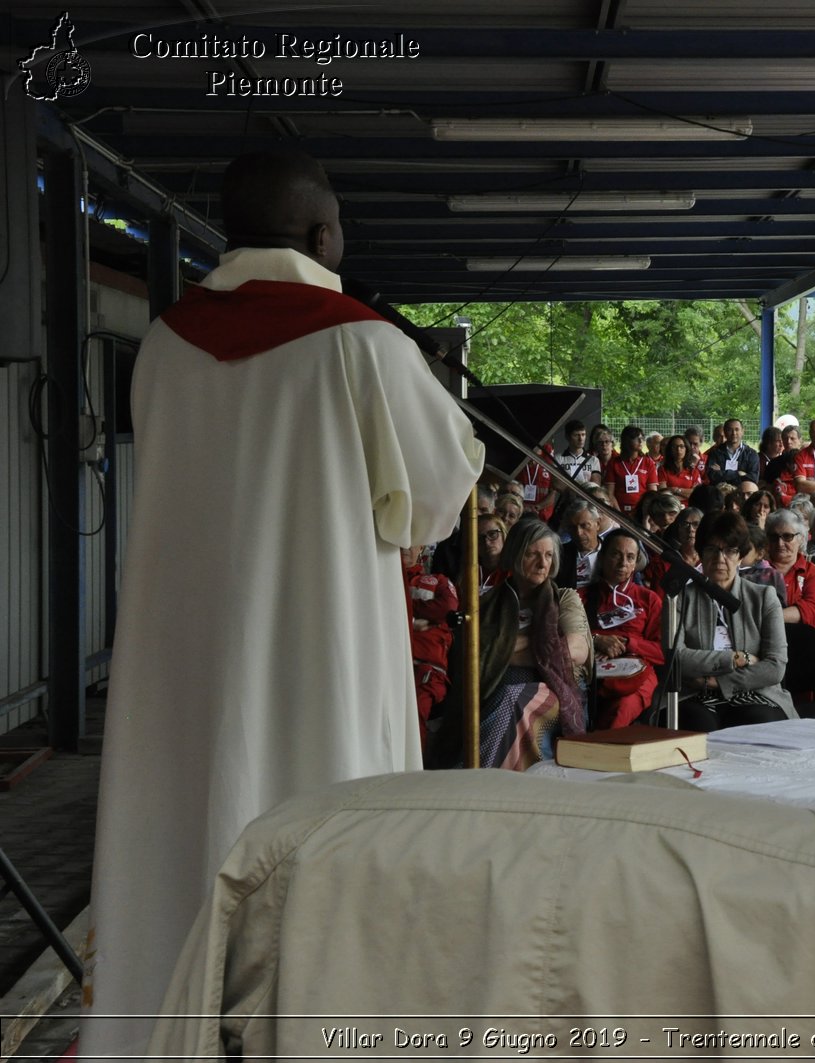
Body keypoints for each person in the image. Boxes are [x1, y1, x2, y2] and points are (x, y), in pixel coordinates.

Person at [80, 149, 485, 1055]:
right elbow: (438, 486)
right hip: (321, 666)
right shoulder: (365, 343)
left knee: (182, 853)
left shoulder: (166, 344)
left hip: (184, 678)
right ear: (319, 236)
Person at [443, 520, 590, 771]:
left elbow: (577, 651)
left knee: (514, 698)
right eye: (533, 554)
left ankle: (477, 773)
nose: (542, 563)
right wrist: (541, 645)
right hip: (493, 689)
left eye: (548, 555)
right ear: (515, 554)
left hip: (555, 691)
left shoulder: (564, 598)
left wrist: (505, 650)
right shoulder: (489, 603)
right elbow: (474, 654)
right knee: (503, 699)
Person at [664, 511, 796, 729]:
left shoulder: (764, 597)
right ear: (700, 552)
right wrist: (735, 658)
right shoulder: (678, 598)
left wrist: (717, 682)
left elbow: (775, 666)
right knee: (697, 726)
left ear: (740, 555)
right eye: (712, 549)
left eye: (729, 550)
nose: (720, 558)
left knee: (757, 724)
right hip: (693, 695)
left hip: (756, 693)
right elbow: (677, 659)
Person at [581, 530, 664, 730]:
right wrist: (596, 639)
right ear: (602, 557)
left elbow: (663, 652)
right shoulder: (581, 596)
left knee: (622, 709)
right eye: (616, 554)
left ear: (636, 563)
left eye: (630, 557)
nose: (623, 563)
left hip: (638, 674)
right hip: (591, 674)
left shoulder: (649, 599)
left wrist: (629, 643)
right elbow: (564, 638)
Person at [402, 544, 458, 758]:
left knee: (414, 720)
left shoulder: (439, 581)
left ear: (422, 547)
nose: (405, 546)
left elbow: (447, 608)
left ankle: (413, 777)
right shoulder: (384, 579)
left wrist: (405, 609)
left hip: (427, 669)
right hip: (391, 664)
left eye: (412, 540)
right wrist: (415, 618)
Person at [603, 425, 660, 515]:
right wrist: (619, 514)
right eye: (636, 439)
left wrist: (645, 512)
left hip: (642, 511)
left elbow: (652, 493)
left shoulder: (648, 462)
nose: (641, 441)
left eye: (642, 438)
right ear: (626, 441)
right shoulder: (614, 463)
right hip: (619, 511)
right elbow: (609, 493)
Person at [556, 500, 603, 589]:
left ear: (598, 523)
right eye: (572, 527)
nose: (578, 533)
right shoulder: (560, 554)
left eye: (584, 525)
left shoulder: (610, 552)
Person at [703, 417, 761, 486]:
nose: (734, 433)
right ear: (725, 432)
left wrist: (722, 472)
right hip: (720, 493)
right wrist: (739, 473)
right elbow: (713, 476)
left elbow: (753, 478)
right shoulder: (715, 452)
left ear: (742, 431)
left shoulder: (751, 454)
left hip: (742, 493)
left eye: (737, 429)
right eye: (730, 430)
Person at [656, 434, 703, 499]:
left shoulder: (693, 470)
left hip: (689, 507)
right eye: (674, 447)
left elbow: (697, 493)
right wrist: (687, 494)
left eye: (682, 446)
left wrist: (676, 490)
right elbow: (663, 495)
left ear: (686, 449)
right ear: (670, 449)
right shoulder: (663, 470)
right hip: (671, 507)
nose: (678, 450)